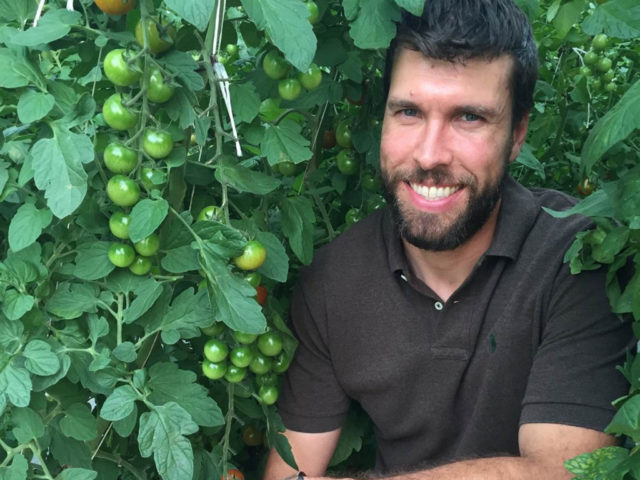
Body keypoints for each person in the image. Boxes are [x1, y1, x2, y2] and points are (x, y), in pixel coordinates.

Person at [264, 1, 633, 478]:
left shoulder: (578, 255)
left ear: (517, 134)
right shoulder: (334, 279)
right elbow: (291, 470)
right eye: (409, 112)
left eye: (469, 118)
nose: (430, 154)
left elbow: (566, 471)